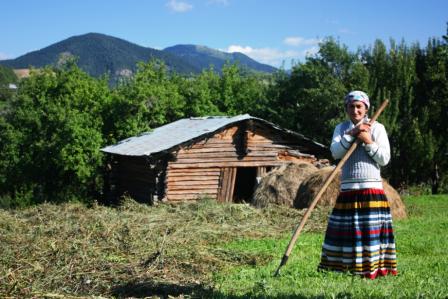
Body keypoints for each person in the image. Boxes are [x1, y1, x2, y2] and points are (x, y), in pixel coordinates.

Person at [318, 90, 397, 279]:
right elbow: (336, 153)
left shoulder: (377, 128)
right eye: (351, 106)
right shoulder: (341, 128)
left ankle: (372, 268)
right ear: (346, 108)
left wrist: (368, 141)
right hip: (348, 190)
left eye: (359, 106)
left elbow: (384, 159)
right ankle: (343, 267)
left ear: (366, 108)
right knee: (347, 233)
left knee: (369, 234)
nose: (355, 110)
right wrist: (352, 134)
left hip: (371, 190)